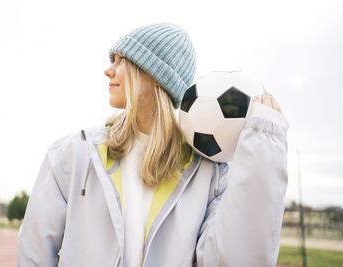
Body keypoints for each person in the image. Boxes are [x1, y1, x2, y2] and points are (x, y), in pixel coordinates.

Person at [17, 23, 289, 267]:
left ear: (152, 75)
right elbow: (35, 254)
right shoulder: (73, 154)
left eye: (121, 60)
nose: (108, 69)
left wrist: (263, 147)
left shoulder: (210, 173)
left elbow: (232, 260)